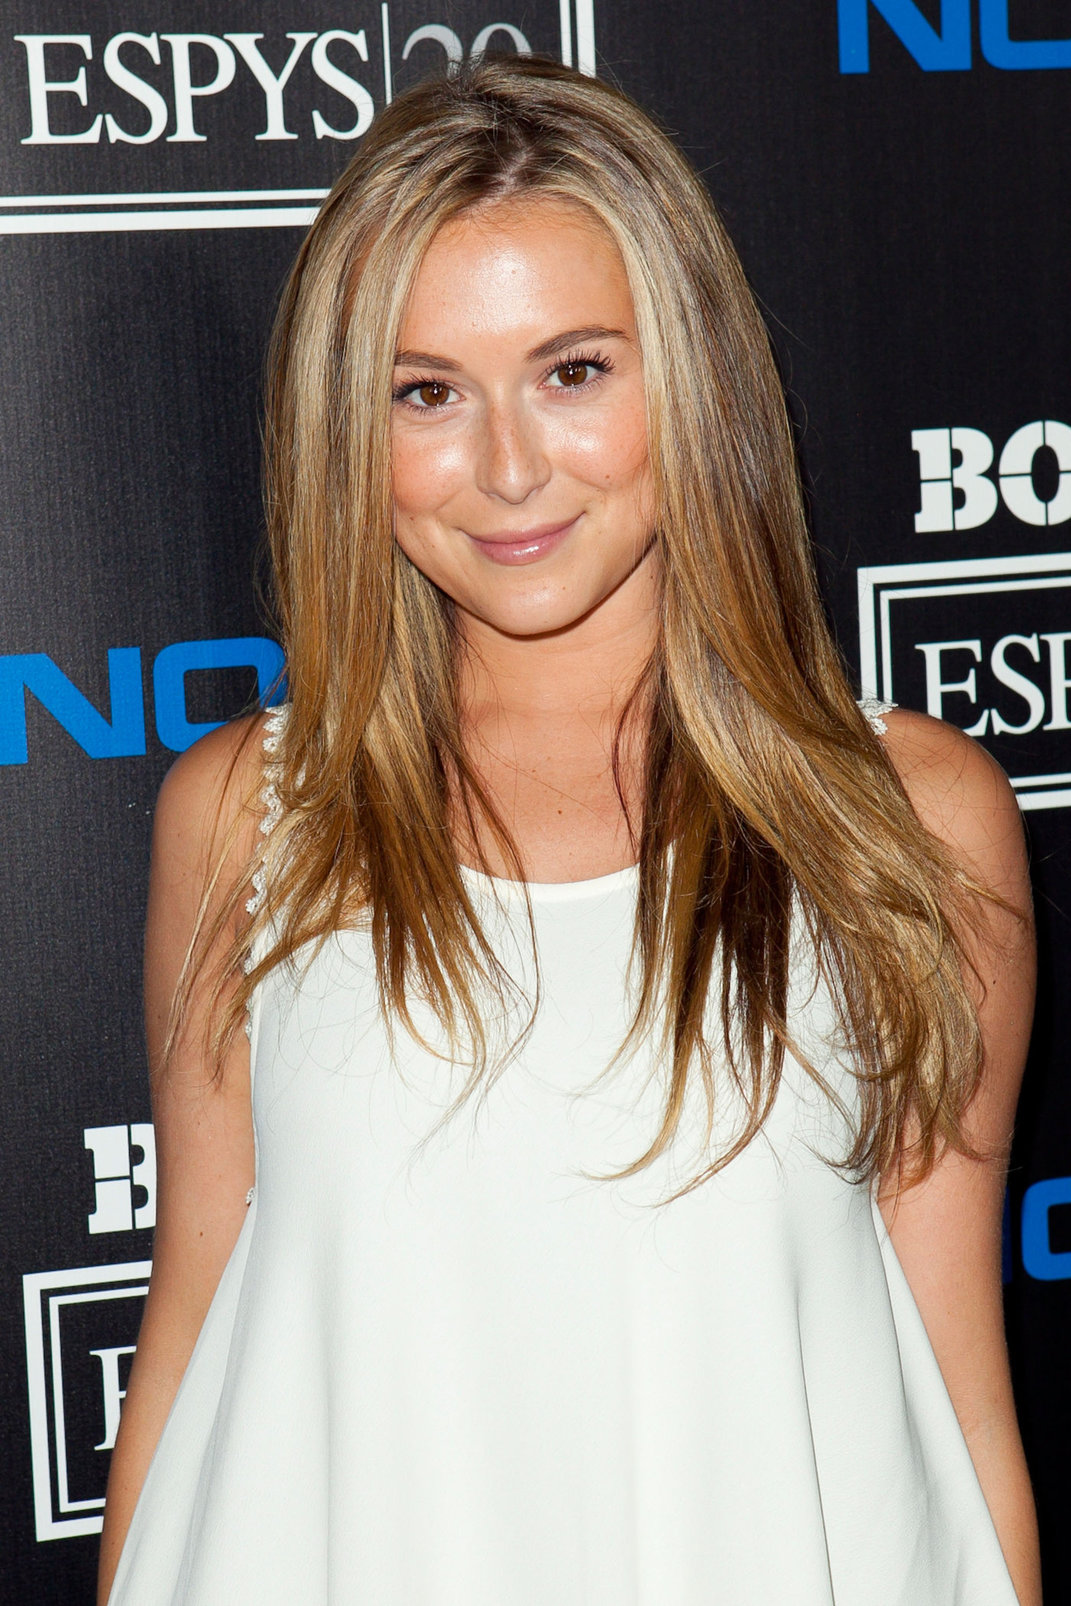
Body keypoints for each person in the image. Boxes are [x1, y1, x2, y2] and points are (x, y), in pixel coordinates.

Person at [98, 55, 1039, 1606]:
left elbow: (952, 1390)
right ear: (356, 429)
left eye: (575, 370)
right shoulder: (250, 817)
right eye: (427, 393)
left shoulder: (913, 825)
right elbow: (196, 1323)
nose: (511, 466)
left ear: (691, 373)